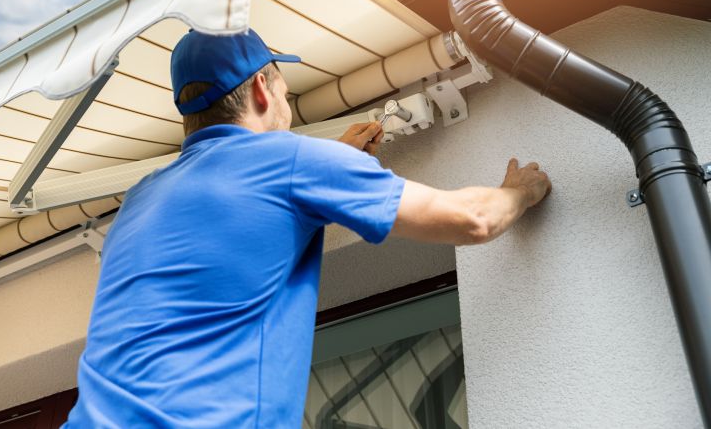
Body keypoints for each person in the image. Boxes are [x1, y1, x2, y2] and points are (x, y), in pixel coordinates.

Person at [64, 29, 551, 428]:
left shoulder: (140, 198)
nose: (286, 99)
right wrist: (520, 190)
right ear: (261, 88)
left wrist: (330, 167)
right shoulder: (295, 163)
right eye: (283, 87)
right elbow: (473, 220)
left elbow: (237, 225)